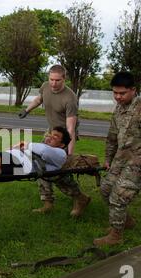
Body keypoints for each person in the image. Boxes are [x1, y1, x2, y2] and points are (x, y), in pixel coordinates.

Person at [93, 71, 141, 246]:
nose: (118, 97)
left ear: (133, 90)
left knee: (119, 197)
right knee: (105, 189)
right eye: (115, 93)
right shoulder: (119, 108)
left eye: (122, 93)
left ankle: (116, 236)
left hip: (139, 162)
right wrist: (108, 158)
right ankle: (126, 222)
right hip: (120, 159)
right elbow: (112, 136)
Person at [18, 65, 90, 217]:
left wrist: (69, 154)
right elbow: (39, 99)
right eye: (51, 79)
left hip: (63, 138)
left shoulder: (70, 98)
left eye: (57, 80)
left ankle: (80, 198)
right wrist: (27, 110)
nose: (53, 83)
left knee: (57, 172)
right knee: (38, 164)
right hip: (50, 133)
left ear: (64, 79)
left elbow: (70, 129)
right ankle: (48, 202)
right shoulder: (45, 86)